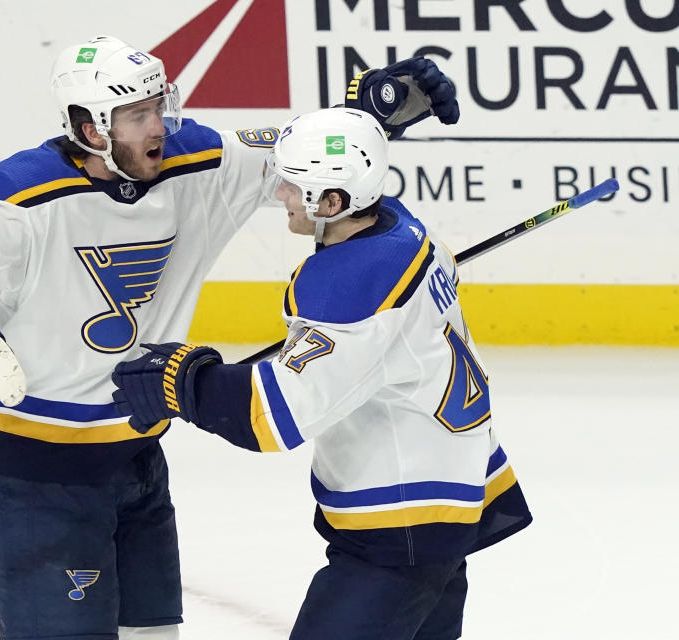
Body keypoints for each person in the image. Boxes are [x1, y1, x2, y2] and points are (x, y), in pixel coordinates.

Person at [0, 34, 460, 640]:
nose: (159, 126)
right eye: (138, 115)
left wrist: (366, 121)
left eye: (158, 105)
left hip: (137, 454)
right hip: (42, 474)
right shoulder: (22, 189)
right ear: (91, 128)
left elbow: (307, 170)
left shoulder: (194, 159)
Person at [111, 108, 532, 640]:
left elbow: (273, 416)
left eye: (294, 185)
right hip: (445, 497)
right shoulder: (401, 231)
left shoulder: (353, 286)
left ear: (332, 202)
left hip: (399, 527)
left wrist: (185, 378)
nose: (282, 194)